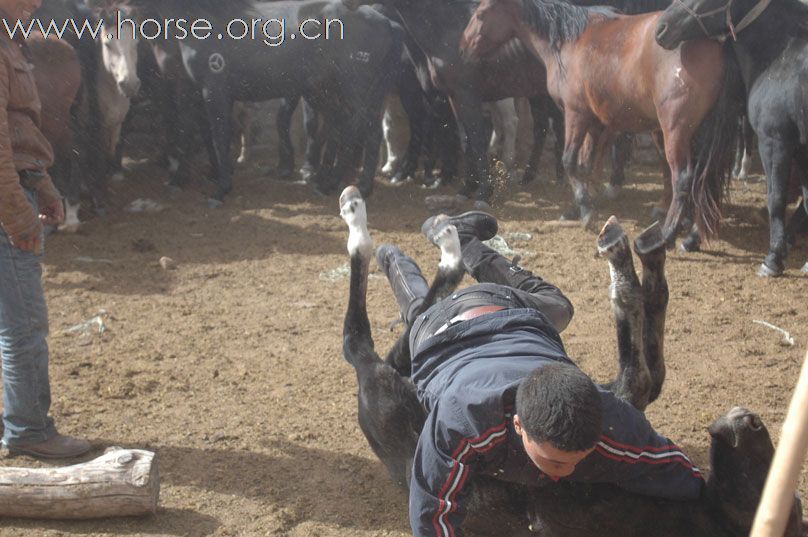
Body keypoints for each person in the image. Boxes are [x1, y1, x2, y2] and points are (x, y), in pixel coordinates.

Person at [373, 210, 704, 537]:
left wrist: (713, 505)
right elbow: (433, 508)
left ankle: (461, 242)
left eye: (577, 461)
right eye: (556, 463)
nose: (566, 475)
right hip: (438, 335)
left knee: (557, 305)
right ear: (518, 424)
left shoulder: (608, 416)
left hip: (504, 309)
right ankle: (391, 256)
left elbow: (668, 464)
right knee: (419, 311)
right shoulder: (462, 419)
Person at [0, 0, 90, 459]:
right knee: (23, 324)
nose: (36, 2)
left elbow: (19, 130)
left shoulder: (9, 40)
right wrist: (17, 213)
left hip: (19, 183)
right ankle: (29, 430)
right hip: (6, 199)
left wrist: (43, 181)